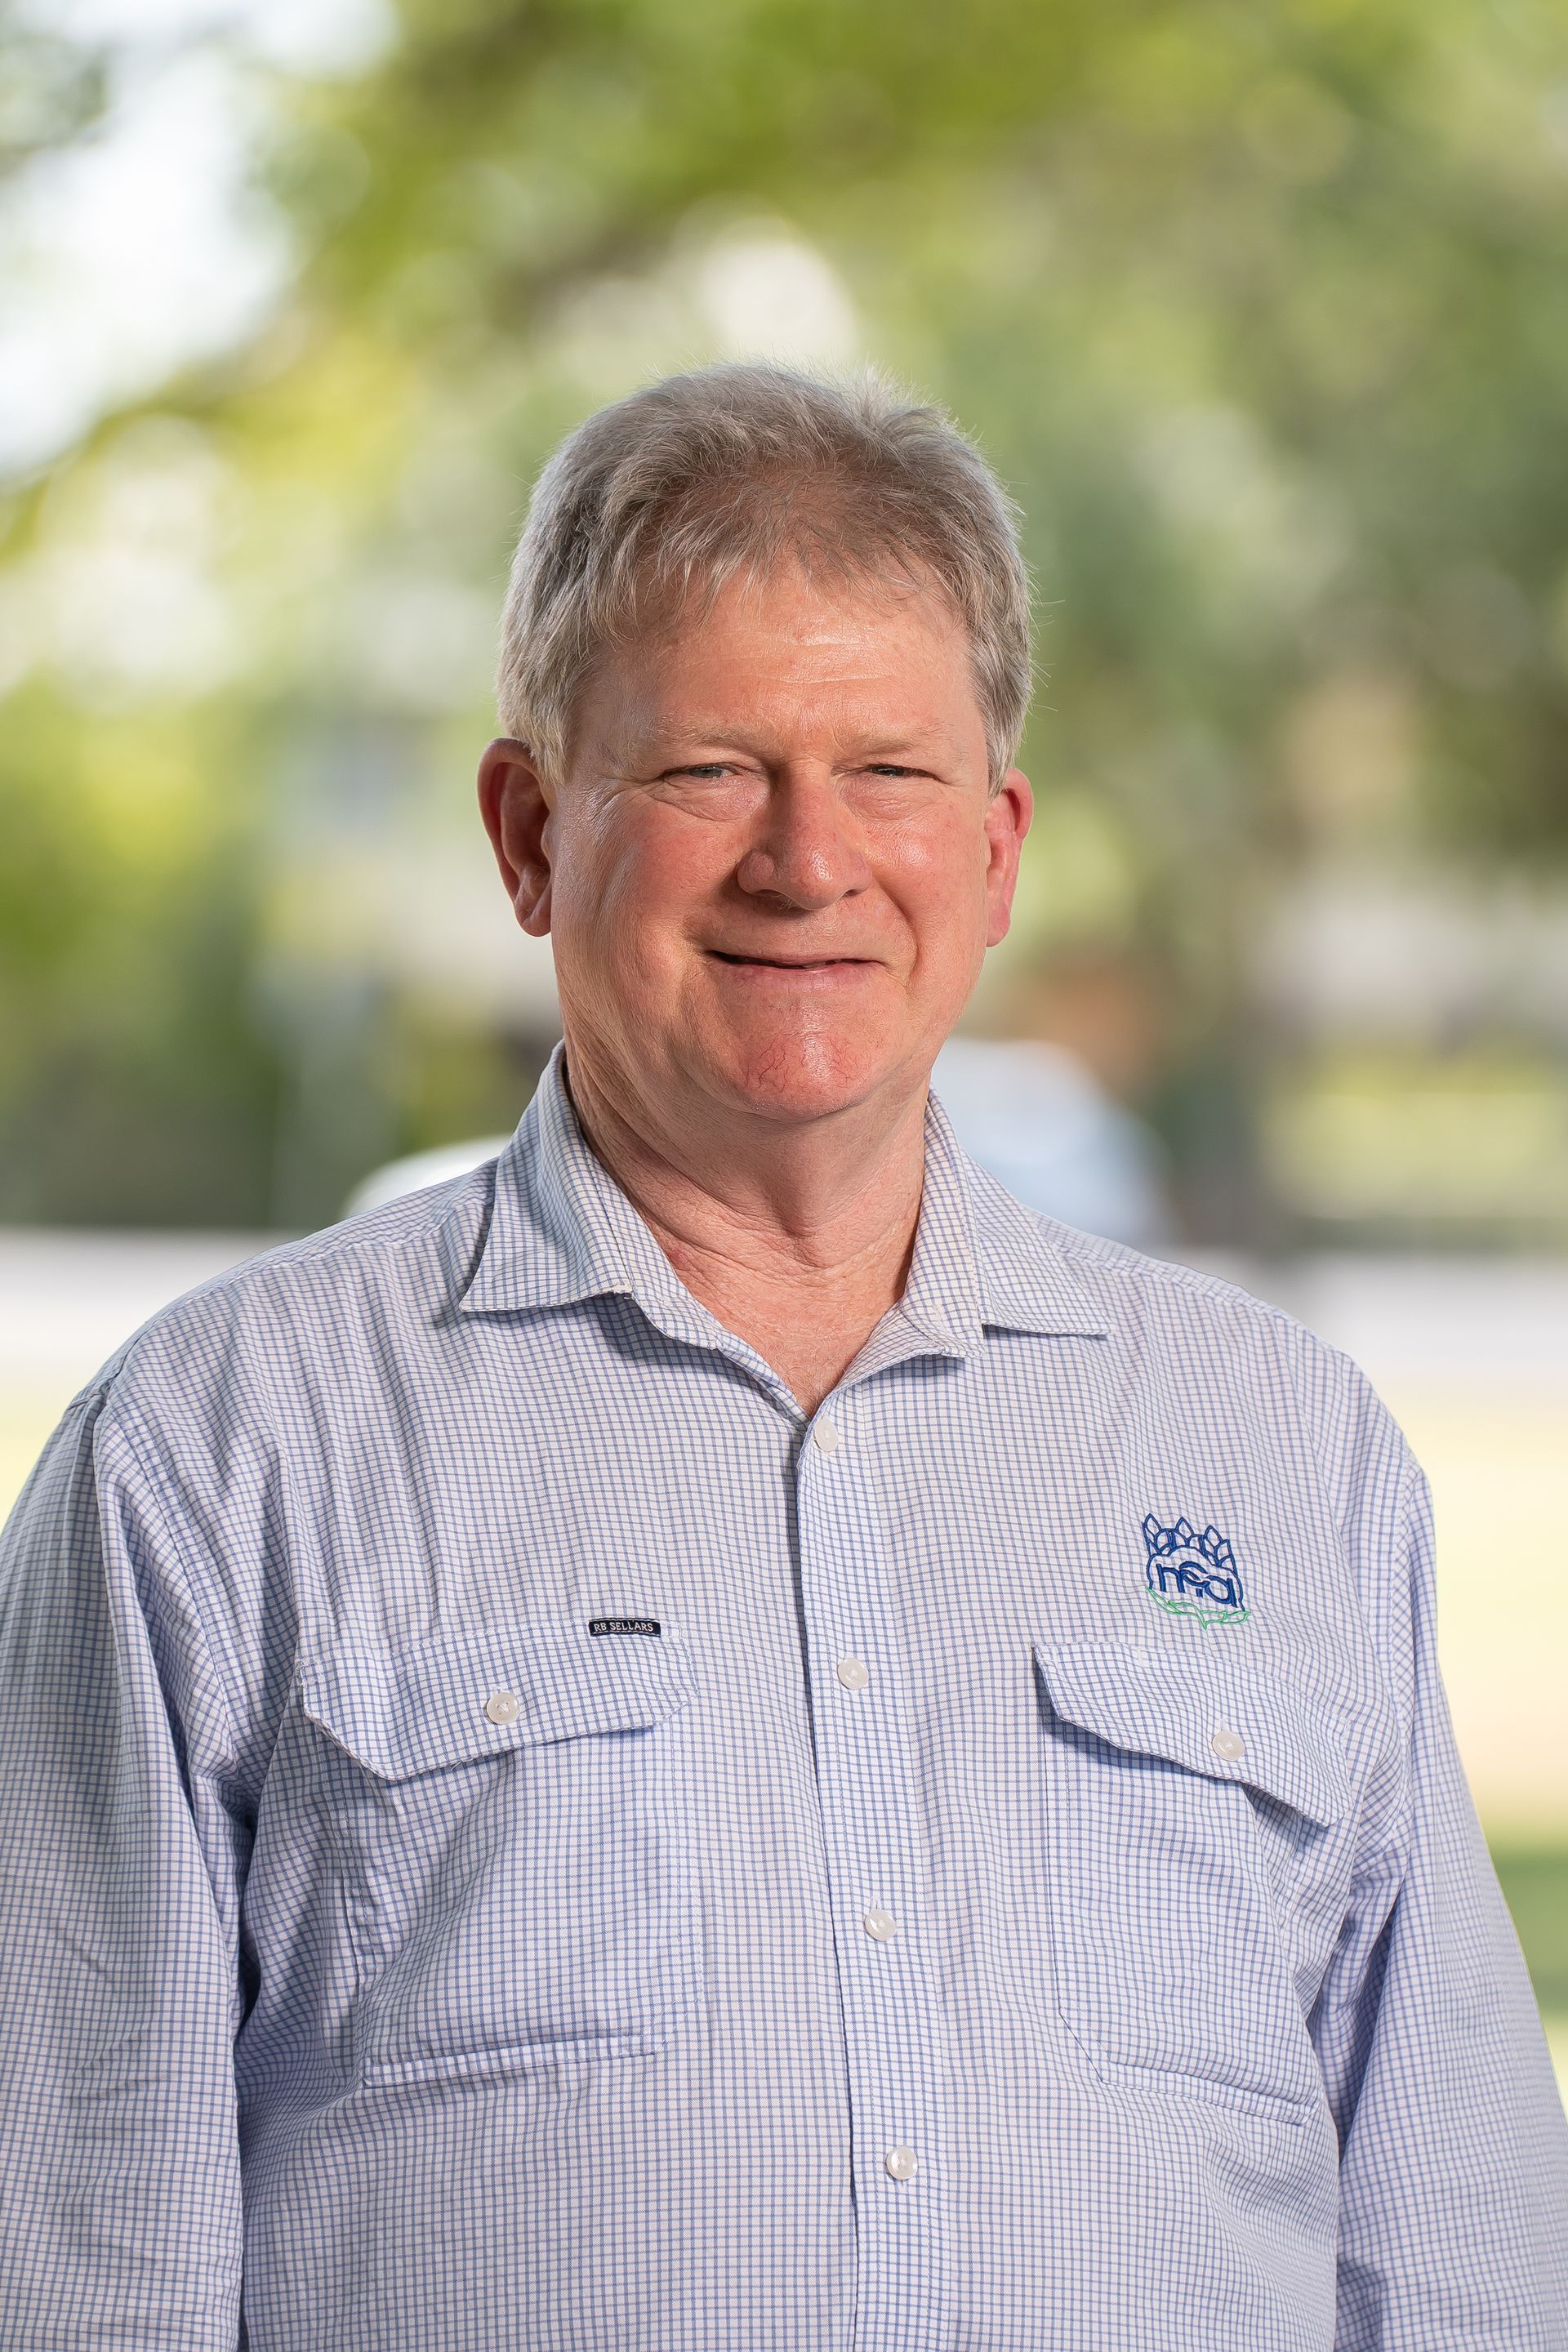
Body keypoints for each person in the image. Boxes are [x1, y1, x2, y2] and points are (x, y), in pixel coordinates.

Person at [0, 363, 1561, 2352]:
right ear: (528, 831)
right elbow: (70, 2267)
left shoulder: (1286, 1452)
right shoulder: (218, 1456)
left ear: (994, 853)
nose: (808, 862)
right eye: (708, 770)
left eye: (891, 775)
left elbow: (1461, 2271)